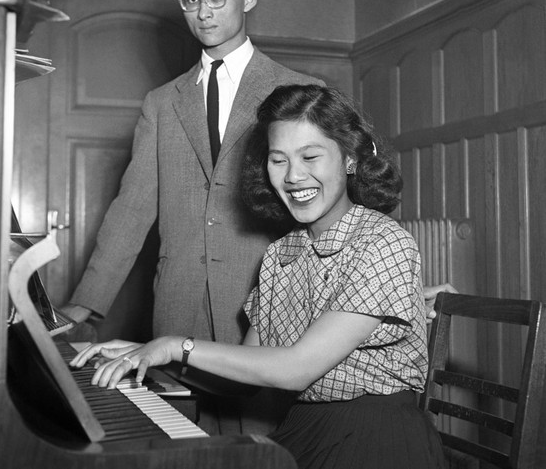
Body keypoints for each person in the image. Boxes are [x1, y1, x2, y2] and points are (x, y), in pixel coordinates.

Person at [71, 84, 447, 469]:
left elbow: (295, 369)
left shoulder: (383, 241)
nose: (293, 176)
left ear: (350, 159)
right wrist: (146, 355)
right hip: (304, 428)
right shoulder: (281, 253)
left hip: (378, 441)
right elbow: (246, 374)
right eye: (278, 159)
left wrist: (174, 345)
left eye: (311, 156)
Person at [61, 0, 322, 433]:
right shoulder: (162, 103)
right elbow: (132, 209)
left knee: (265, 451)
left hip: (267, 308)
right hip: (177, 311)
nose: (203, 11)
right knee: (181, 445)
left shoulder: (300, 93)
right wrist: (86, 303)